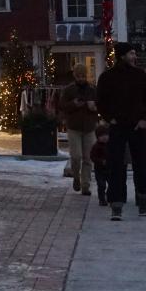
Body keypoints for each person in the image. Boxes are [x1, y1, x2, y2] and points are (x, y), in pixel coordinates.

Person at [97, 41, 146, 220]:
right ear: (122, 56)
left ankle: (143, 198)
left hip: (137, 126)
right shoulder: (107, 77)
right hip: (118, 126)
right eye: (131, 53)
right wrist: (109, 117)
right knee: (116, 166)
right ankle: (116, 204)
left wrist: (144, 119)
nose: (134, 57)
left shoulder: (140, 75)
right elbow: (101, 101)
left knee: (140, 165)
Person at [60, 68, 100, 196]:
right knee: (76, 156)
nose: (81, 78)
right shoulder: (68, 90)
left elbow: (101, 104)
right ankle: (76, 176)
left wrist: (94, 107)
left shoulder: (93, 89)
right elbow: (61, 106)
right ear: (75, 76)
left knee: (88, 158)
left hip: (89, 127)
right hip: (74, 127)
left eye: (83, 75)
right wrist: (73, 104)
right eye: (79, 76)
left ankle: (85, 185)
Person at [90, 124, 111, 206]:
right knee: (101, 185)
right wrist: (101, 161)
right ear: (98, 137)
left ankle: (109, 196)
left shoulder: (111, 146)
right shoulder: (96, 146)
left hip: (109, 169)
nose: (104, 137)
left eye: (106, 135)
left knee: (112, 184)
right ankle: (102, 199)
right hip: (99, 170)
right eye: (102, 136)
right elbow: (92, 157)